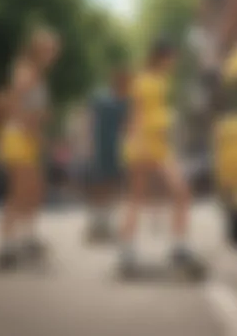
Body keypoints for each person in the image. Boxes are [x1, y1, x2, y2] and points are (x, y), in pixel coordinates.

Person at [120, 40, 200, 273]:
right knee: (138, 197)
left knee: (181, 192)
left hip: (160, 146)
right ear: (161, 57)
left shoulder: (162, 81)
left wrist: (168, 118)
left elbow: (156, 113)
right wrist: (138, 145)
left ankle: (178, 247)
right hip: (144, 145)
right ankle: (127, 249)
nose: (174, 63)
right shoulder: (143, 81)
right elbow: (136, 116)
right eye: (172, 58)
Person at [0, 27, 60, 270]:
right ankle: (6, 246)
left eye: (54, 50)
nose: (54, 54)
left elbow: (34, 107)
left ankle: (27, 238)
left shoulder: (37, 73)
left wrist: (40, 122)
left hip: (29, 139)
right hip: (18, 138)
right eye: (50, 49)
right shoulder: (26, 71)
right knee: (19, 191)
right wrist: (29, 126)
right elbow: (13, 103)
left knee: (34, 189)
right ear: (37, 50)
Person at [83, 69, 130, 242]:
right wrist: (88, 143)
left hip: (118, 148)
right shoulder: (100, 98)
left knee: (114, 183)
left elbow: (127, 124)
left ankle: (106, 222)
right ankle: (96, 223)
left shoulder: (126, 100)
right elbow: (90, 119)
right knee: (100, 183)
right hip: (101, 146)